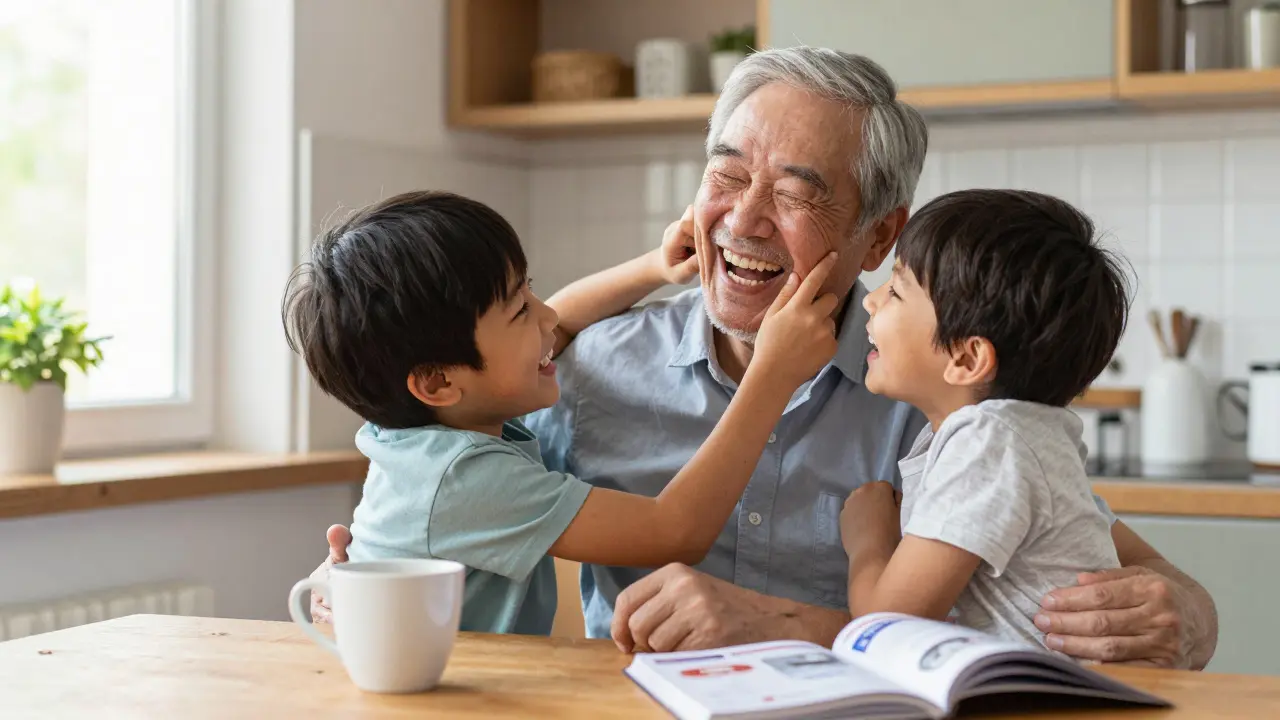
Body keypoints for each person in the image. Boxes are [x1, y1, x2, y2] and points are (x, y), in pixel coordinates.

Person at [315, 47, 1218, 668]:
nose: (743, 221)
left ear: (880, 237)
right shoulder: (583, 372)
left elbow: (1128, 567)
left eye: (795, 193)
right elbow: (439, 484)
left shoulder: (950, 394)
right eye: (727, 175)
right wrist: (348, 582)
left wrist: (1188, 611)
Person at [283, 190, 840, 635]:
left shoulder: (423, 429)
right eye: (520, 310)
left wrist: (655, 267)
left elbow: (564, 320)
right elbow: (674, 530)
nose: (548, 317)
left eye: (531, 292)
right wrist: (773, 373)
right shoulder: (467, 479)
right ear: (438, 382)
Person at [840, 189, 1127, 650]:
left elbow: (887, 625)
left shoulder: (988, 442)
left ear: (967, 358)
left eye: (895, 290)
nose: (870, 301)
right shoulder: (1020, 432)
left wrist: (868, 539)